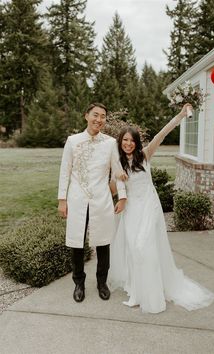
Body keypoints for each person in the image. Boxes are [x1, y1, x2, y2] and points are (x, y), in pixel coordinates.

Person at [109, 103, 214, 313]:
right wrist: (116, 176)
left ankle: (153, 292)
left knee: (144, 247)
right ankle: (138, 291)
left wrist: (180, 115)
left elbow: (163, 133)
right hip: (131, 211)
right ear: (120, 142)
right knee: (133, 249)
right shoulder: (116, 164)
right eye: (125, 140)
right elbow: (112, 190)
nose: (128, 144)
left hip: (148, 206)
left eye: (132, 140)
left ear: (136, 142)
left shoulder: (145, 155)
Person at [58, 103, 127, 303]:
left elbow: (118, 170)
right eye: (95, 115)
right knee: (77, 243)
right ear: (86, 116)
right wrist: (62, 200)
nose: (99, 119)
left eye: (103, 116)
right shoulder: (72, 141)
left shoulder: (111, 143)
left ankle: (101, 282)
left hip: (101, 199)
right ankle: (79, 283)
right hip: (77, 199)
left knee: (103, 242)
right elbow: (65, 171)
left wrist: (121, 196)